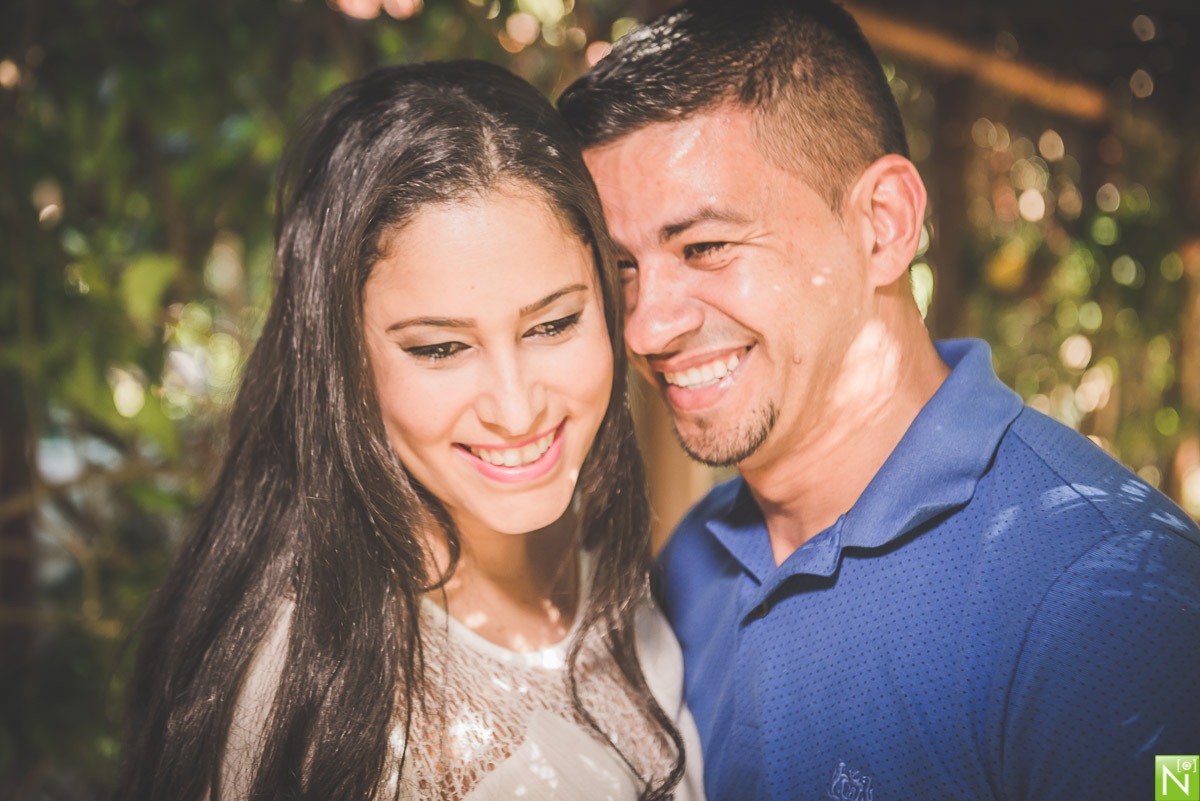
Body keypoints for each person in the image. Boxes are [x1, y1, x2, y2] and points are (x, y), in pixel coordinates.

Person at [558, 2, 1200, 799]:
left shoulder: (1107, 591)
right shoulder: (687, 559)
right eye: (623, 266)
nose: (647, 326)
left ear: (883, 225)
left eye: (706, 246)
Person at [113, 61, 704, 801]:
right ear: (343, 360)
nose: (517, 409)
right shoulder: (305, 689)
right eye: (439, 348)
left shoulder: (615, 561)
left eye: (553, 324)